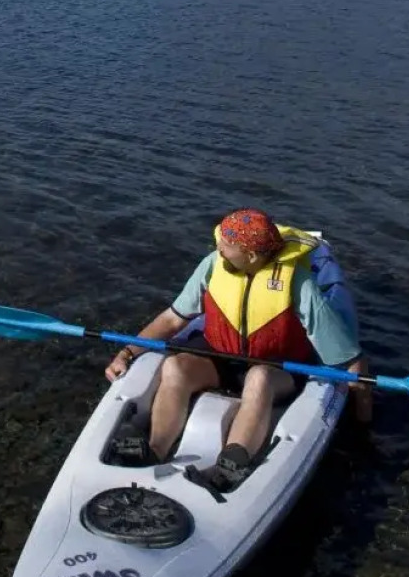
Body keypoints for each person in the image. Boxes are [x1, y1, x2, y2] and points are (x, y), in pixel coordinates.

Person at [104, 208, 369, 493]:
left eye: (227, 245)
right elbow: (171, 319)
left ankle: (231, 464)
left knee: (258, 378)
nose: (218, 248)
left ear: (252, 255)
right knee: (175, 367)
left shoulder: (298, 283)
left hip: (276, 367)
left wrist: (363, 423)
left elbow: (350, 360)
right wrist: (127, 353)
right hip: (222, 354)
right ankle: (155, 448)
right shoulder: (212, 265)